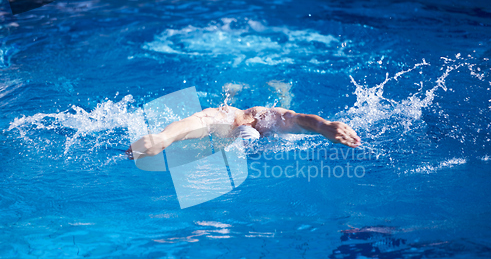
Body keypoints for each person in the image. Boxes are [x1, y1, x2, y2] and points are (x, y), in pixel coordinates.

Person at [126, 106, 361, 159]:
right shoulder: (222, 117)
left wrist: (324, 126)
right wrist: (163, 138)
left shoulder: (266, 119)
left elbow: (296, 119)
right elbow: (192, 123)